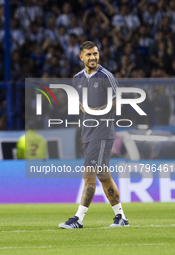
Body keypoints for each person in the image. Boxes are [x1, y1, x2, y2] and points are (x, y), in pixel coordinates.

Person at [59, 41, 129, 229]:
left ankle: (78, 219)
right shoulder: (77, 78)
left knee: (89, 174)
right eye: (89, 55)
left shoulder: (107, 76)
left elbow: (119, 101)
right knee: (103, 175)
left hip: (102, 131)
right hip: (87, 133)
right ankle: (121, 217)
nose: (93, 58)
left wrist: (98, 109)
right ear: (81, 57)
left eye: (95, 54)